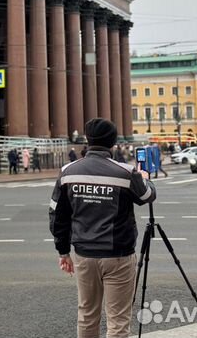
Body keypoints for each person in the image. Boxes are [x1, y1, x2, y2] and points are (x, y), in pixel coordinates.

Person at [49, 117, 156, 338]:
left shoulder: (68, 171)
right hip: (118, 255)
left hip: (84, 255)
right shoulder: (125, 172)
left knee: (87, 316)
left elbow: (57, 215)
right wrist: (145, 178)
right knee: (117, 321)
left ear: (88, 140)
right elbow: (147, 196)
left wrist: (63, 251)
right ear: (113, 142)